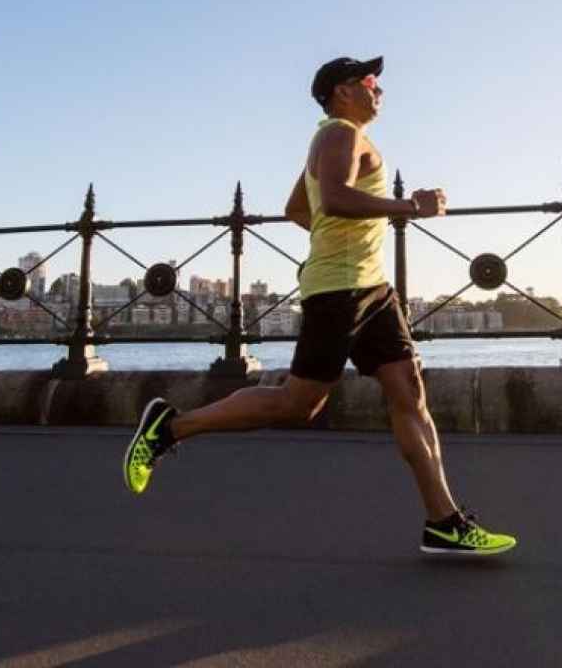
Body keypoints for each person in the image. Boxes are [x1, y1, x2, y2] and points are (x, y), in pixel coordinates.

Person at [122, 55, 517, 556]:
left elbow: (298, 209)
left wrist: (343, 241)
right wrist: (409, 208)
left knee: (409, 391)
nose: (380, 89)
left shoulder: (341, 137)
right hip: (340, 292)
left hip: (373, 288)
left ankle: (445, 522)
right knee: (299, 403)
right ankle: (169, 427)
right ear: (342, 91)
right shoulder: (339, 134)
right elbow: (332, 199)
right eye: (370, 81)